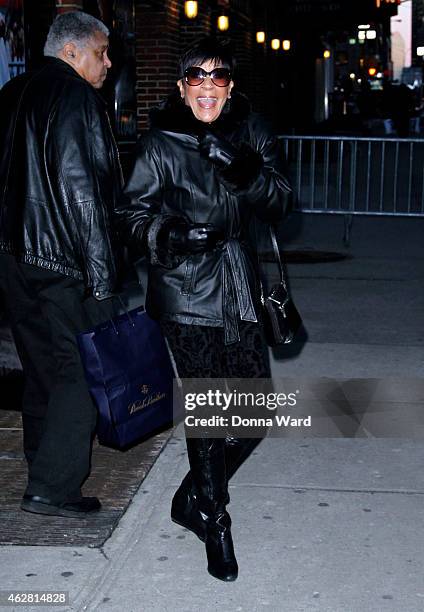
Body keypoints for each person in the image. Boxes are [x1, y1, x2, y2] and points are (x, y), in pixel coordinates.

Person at [116, 38, 291, 581]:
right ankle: (215, 520)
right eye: (198, 76)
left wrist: (242, 168)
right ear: (182, 85)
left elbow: (281, 202)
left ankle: (193, 495)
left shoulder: (252, 131)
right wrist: (171, 234)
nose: (209, 87)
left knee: (255, 412)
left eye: (219, 77)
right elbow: (130, 216)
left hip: (238, 283)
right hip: (186, 291)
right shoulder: (161, 143)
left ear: (231, 86)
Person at [0, 11, 122, 518]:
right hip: (61, 260)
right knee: (81, 374)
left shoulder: (10, 94)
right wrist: (102, 277)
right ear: (71, 52)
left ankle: (41, 465)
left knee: (40, 368)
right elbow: (83, 193)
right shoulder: (76, 97)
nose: (109, 63)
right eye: (101, 53)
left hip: (12, 258)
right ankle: (54, 487)